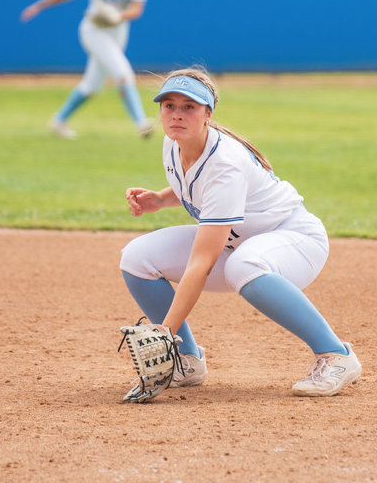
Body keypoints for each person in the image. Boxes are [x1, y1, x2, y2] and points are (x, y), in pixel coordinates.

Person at [118, 68, 360, 401]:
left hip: (294, 241)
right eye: (169, 105)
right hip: (240, 243)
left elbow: (200, 263)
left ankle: (336, 355)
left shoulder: (225, 165)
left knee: (243, 265)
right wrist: (161, 199)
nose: (176, 114)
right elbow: (196, 186)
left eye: (189, 107)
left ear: (208, 114)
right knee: (136, 257)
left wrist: (165, 332)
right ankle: (185, 361)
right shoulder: (173, 144)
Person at [20, 0, 156, 139]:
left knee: (92, 85)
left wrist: (117, 17)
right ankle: (141, 124)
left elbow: (137, 9)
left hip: (117, 31)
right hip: (94, 30)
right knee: (123, 73)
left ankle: (58, 121)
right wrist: (40, 5)